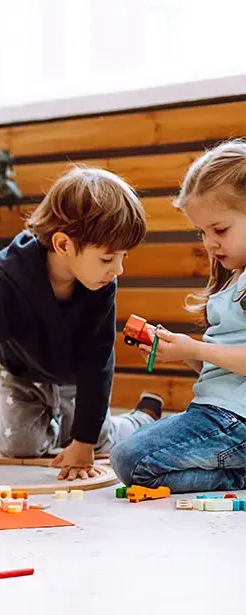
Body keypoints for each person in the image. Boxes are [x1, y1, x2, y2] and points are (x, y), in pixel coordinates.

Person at [0, 166, 159, 482]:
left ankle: (140, 419)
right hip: (20, 373)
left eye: (123, 257)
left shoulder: (101, 284)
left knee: (99, 439)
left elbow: (98, 362)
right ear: (64, 244)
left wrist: (83, 443)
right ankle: (58, 430)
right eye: (108, 259)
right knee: (20, 448)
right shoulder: (10, 279)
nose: (118, 269)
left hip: (73, 377)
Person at [111, 140, 246, 493]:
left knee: (130, 459)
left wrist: (198, 349)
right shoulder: (231, 277)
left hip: (235, 420)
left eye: (220, 230)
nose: (209, 244)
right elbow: (221, 370)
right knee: (129, 459)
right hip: (217, 412)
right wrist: (183, 351)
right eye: (202, 233)